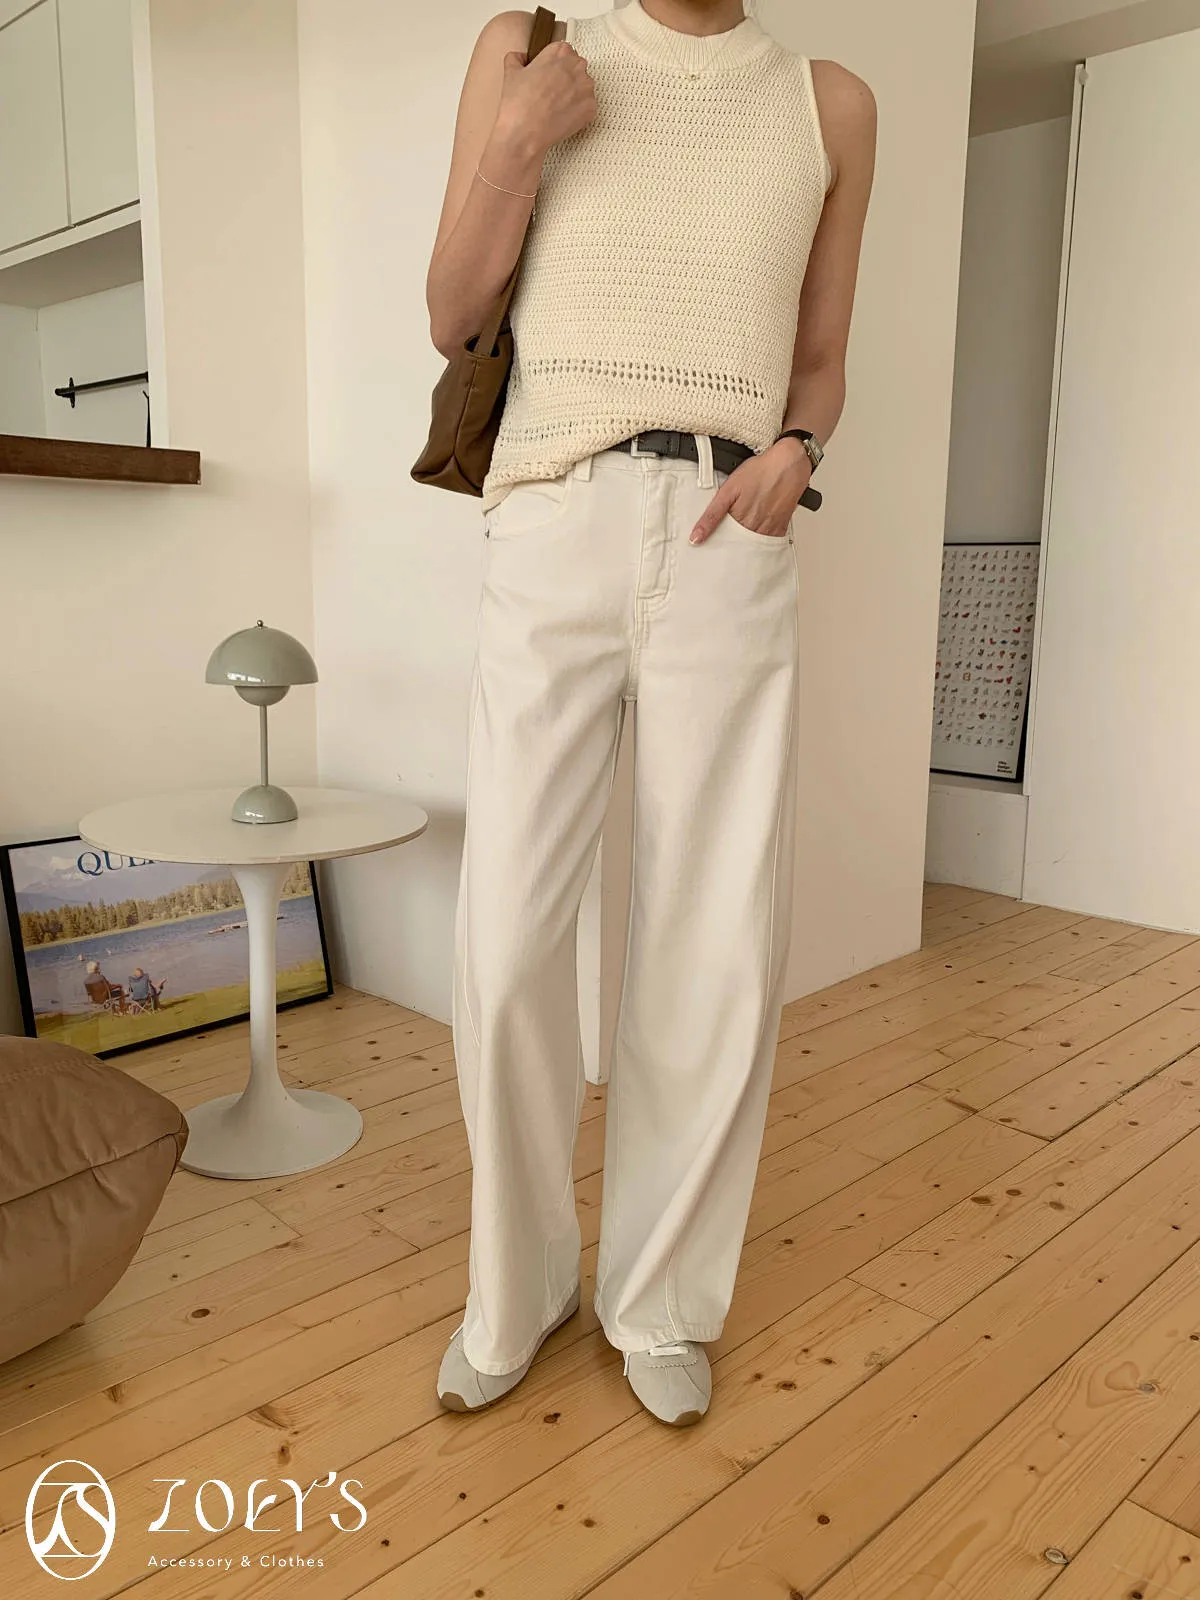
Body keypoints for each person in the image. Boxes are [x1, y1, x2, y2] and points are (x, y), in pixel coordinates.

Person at [426, 0, 876, 1424]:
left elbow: (820, 354)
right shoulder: (531, 48)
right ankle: (518, 1289)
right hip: (552, 515)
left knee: (712, 936)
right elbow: (453, 314)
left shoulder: (829, 102)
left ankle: (663, 1296)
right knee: (508, 937)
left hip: (728, 526)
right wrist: (519, 141)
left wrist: (797, 450)